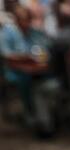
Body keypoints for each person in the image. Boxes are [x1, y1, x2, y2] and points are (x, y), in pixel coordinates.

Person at [0, 2, 57, 134]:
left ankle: (47, 114)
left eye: (27, 21)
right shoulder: (7, 33)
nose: (25, 24)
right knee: (25, 80)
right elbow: (7, 56)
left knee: (46, 80)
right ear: (16, 21)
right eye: (22, 21)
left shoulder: (34, 32)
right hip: (15, 71)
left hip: (35, 69)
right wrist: (25, 58)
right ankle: (30, 112)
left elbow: (46, 48)